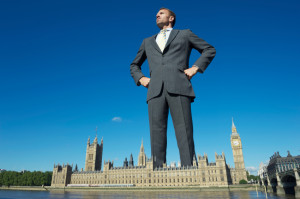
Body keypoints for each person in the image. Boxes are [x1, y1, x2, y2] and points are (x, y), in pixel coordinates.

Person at [130, 8, 216, 168]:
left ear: (171, 18)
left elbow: (209, 50)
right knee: (156, 135)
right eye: (156, 14)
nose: (156, 15)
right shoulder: (147, 41)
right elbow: (134, 64)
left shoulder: (185, 34)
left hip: (179, 86)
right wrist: (141, 78)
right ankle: (156, 174)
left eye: (161, 13)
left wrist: (195, 68)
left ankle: (189, 170)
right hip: (154, 91)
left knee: (184, 132)